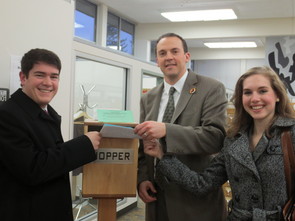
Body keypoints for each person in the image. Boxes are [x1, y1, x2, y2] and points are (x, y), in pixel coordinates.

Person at [144, 66, 295, 220]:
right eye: (247, 92)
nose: (255, 98)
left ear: (277, 95)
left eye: (263, 91)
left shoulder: (290, 134)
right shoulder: (233, 140)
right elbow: (202, 184)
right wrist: (163, 156)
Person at [134, 33, 228, 221]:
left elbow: (215, 137)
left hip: (195, 200)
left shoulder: (211, 88)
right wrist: (143, 178)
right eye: (162, 53)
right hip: (157, 198)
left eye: (174, 51)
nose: (168, 57)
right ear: (157, 61)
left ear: (186, 56)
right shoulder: (148, 98)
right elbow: (144, 146)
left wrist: (167, 130)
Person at [0, 48, 101, 221]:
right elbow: (32, 169)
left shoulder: (47, 112)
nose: (48, 83)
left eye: (54, 77)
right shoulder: (7, 115)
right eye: (40, 75)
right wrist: (84, 144)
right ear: (23, 78)